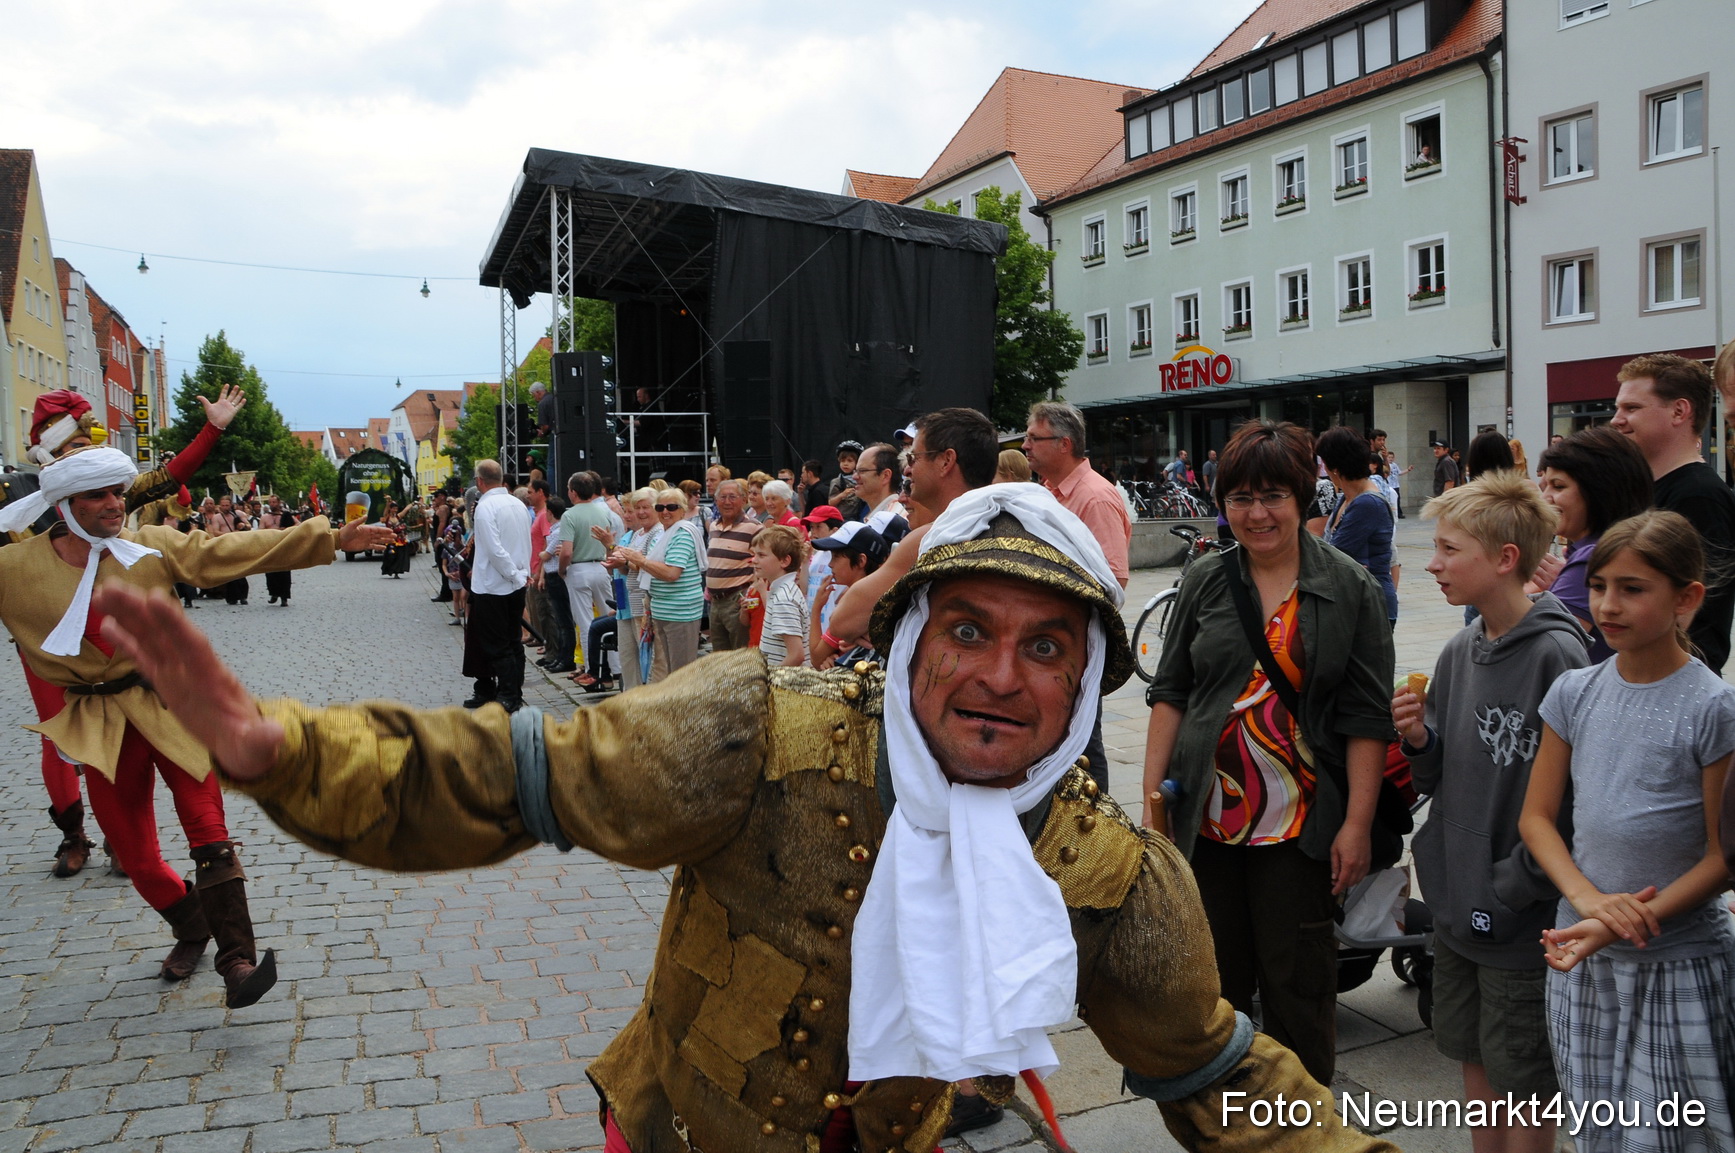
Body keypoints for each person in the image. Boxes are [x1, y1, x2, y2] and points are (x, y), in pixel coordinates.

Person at [90, 483, 1391, 1153]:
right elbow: (519, 777)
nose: (1003, 670)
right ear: (909, 637)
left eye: (1048, 645)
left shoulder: (1110, 875)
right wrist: (285, 749)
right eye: (972, 629)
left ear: (1087, 681)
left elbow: (1226, 1082)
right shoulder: (756, 730)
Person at [0, 447, 391, 1007]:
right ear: (64, 505)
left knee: (208, 832)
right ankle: (190, 925)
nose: (115, 505)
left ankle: (237, 962)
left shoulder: (149, 548)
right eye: (99, 496)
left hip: (171, 704)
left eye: (118, 493)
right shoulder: (13, 569)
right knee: (136, 858)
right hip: (100, 721)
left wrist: (327, 538)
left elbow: (229, 550)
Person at [1143, 419, 1393, 1084]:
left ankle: (1300, 1127)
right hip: (1208, 822)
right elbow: (1170, 691)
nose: (1256, 514)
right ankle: (1227, 1126)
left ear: (1303, 494)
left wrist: (1357, 824)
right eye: (1240, 499)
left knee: (1298, 992)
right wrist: (1152, 811)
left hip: (1299, 829)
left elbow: (1368, 717)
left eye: (1272, 496)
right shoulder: (1205, 579)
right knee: (1214, 992)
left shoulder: (1347, 588)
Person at [1518, 511, 1735, 1153]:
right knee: (1598, 1134)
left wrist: (1615, 921)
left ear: (1686, 599)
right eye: (1599, 585)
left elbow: (1724, 858)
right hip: (1581, 956)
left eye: (1633, 589)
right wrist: (1587, 903)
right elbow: (1537, 817)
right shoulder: (1573, 691)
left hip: (1678, 960)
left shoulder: (1713, 708)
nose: (1608, 605)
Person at [1390, 472, 1590, 1153]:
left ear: (1504, 558)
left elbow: (1569, 804)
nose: (1431, 562)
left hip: (1518, 917)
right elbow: (1437, 774)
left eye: (1448, 549)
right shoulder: (1458, 648)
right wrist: (1419, 739)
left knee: (1522, 1076)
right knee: (1472, 1052)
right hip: (1457, 905)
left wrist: (1512, 886)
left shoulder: (1556, 655)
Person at [5, 385, 246, 878]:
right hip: (51, 644)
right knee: (61, 740)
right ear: (51, 446)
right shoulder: (14, 495)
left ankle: (130, 843)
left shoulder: (105, 487)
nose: (86, 452)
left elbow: (168, 477)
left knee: (140, 745)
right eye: (76, 444)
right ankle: (74, 835)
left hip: (119, 634)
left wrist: (213, 427)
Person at [1610, 353, 1735, 674]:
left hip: (1677, 689)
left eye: (1632, 408)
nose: (1616, 419)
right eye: (1617, 408)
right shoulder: (1645, 489)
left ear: (1679, 411)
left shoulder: (1699, 495)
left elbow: (1696, 613)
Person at [1535, 428, 1654, 663]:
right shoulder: (1611, 546)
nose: (1545, 498)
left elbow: (1541, 649)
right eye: (1545, 486)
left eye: (1558, 486)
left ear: (1598, 490)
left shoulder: (1593, 556)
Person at [1023, 402, 1130, 588]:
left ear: (1064, 444)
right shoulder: (1046, 491)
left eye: (1034, 438)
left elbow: (1114, 580)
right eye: (1027, 437)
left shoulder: (1096, 498)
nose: (1025, 445)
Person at [613, 486, 704, 680]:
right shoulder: (666, 533)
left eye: (671, 507)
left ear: (682, 509)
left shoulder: (682, 534)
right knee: (669, 670)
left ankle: (682, 709)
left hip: (680, 611)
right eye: (660, 507)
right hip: (662, 609)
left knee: (681, 673)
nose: (665, 512)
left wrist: (640, 560)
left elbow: (671, 573)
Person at [463, 459, 532, 712]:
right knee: (513, 640)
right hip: (515, 581)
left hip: (495, 585)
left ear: (480, 481)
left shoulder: (485, 506)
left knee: (499, 645)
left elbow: (493, 549)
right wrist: (523, 572)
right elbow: (526, 543)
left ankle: (508, 695)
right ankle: (514, 691)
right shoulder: (517, 503)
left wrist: (513, 574)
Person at [1318, 428, 1397, 626]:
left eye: (1324, 463)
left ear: (1334, 467)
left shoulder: (1367, 503)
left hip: (1371, 605)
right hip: (1352, 601)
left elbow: (1334, 555)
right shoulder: (1347, 496)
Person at [559, 473, 617, 685]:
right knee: (609, 616)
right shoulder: (604, 512)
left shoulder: (569, 515)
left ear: (573, 492)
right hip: (601, 566)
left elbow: (566, 552)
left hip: (579, 568)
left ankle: (593, 668)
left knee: (585, 622)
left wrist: (561, 570)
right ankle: (616, 666)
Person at [703, 478, 759, 651]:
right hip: (715, 603)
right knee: (720, 659)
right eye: (722, 497)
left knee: (740, 657)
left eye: (732, 497)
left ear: (743, 500)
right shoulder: (713, 527)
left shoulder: (754, 528)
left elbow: (763, 564)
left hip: (737, 600)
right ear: (716, 501)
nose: (727, 502)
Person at [749, 524, 807, 667]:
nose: (754, 560)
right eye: (754, 554)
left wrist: (769, 679)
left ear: (784, 561)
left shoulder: (784, 598)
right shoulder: (783, 590)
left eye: (761, 555)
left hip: (786, 685)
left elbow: (796, 655)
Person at [258, 494, 298, 605]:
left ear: (278, 502)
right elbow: (260, 531)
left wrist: (286, 529)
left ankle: (284, 598)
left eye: (274, 502)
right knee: (270, 573)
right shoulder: (265, 517)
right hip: (270, 546)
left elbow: (298, 525)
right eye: (270, 502)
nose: (272, 504)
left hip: (283, 546)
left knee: (284, 573)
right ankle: (273, 593)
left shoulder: (285, 515)